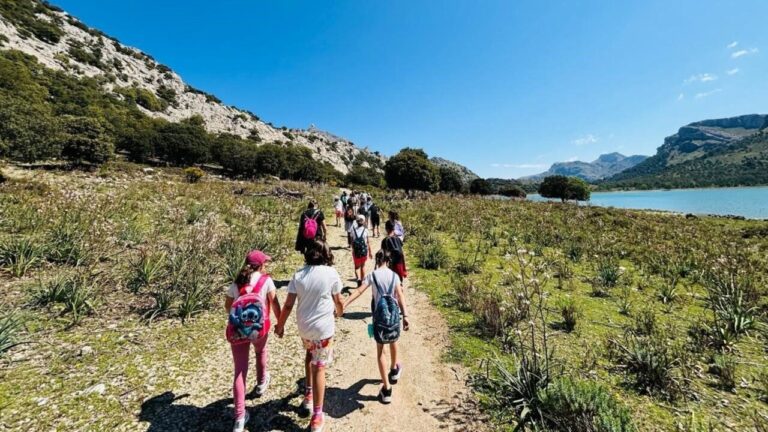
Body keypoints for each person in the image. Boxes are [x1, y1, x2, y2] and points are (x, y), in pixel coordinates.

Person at [275, 241, 344, 432]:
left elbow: (288, 305)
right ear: (325, 254)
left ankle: (308, 395)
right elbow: (339, 301)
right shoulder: (331, 273)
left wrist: (280, 326)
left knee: (309, 355)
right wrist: (339, 312)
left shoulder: (299, 274)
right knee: (319, 367)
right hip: (323, 329)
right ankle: (317, 416)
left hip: (304, 327)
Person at [224, 250, 282, 432]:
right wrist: (280, 324)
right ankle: (261, 382)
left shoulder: (237, 282)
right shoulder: (266, 281)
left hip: (238, 330)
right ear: (261, 265)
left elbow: (228, 306)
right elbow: (274, 302)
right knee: (260, 352)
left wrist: (240, 321)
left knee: (239, 371)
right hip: (259, 328)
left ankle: (240, 417)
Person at [343, 250, 410, 404]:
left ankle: (386, 390)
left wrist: (344, 304)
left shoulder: (373, 275)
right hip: (393, 317)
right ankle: (394, 370)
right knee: (394, 341)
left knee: (380, 350)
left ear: (378, 260)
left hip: (379, 318)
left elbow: (359, 291)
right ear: (388, 260)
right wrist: (405, 315)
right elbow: (400, 296)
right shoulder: (394, 276)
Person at [349, 214, 373, 286]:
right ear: (363, 221)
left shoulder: (353, 230)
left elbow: (351, 241)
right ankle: (362, 281)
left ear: (356, 221)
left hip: (356, 251)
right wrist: (370, 252)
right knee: (363, 266)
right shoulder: (365, 231)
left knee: (356, 267)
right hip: (364, 251)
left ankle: (358, 279)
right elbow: (368, 242)